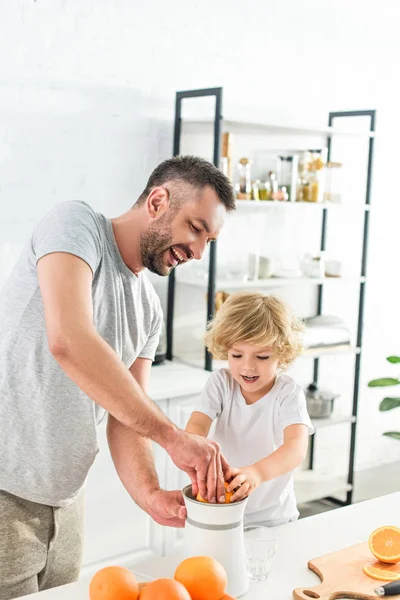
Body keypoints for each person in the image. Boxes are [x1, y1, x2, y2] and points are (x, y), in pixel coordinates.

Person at [0, 155, 235, 599]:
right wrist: (174, 438)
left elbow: (127, 414)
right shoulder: (75, 225)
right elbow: (69, 339)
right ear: (158, 200)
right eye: (196, 228)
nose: (199, 252)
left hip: (66, 499)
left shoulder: (148, 309)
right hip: (6, 486)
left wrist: (150, 494)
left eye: (210, 240)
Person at [186, 292, 314, 527]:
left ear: (282, 353)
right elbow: (197, 425)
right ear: (225, 350)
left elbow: (295, 448)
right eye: (237, 355)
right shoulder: (221, 383)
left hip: (274, 515)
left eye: (262, 356)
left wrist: (256, 473)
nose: (248, 366)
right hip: (223, 508)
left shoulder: (287, 394)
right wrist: (193, 449)